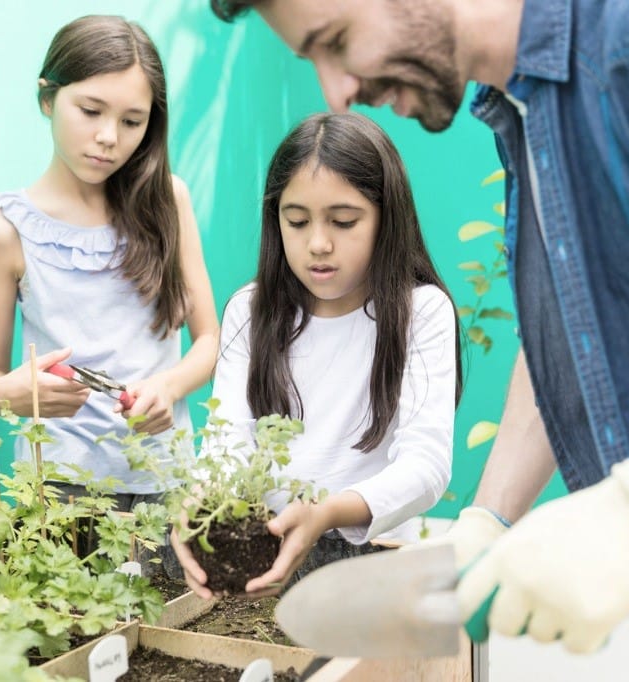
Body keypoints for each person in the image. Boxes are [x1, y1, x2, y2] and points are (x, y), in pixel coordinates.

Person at [207, 1, 629, 680]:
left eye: (336, 42)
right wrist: (487, 520)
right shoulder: (525, 113)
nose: (336, 91)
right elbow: (580, 335)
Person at [172, 111, 462, 598]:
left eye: (344, 221)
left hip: (379, 568)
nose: (318, 243)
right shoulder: (251, 309)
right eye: (297, 221)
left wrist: (327, 512)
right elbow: (226, 445)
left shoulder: (421, 311)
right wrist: (199, 504)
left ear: (386, 219)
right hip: (265, 564)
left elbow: (427, 466)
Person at [0, 15, 220, 516]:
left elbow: (210, 341)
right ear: (48, 98)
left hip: (164, 480)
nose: (109, 137)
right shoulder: (2, 230)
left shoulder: (169, 201)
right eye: (90, 110)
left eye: (132, 121)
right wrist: (10, 393)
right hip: (55, 488)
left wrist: (167, 386)